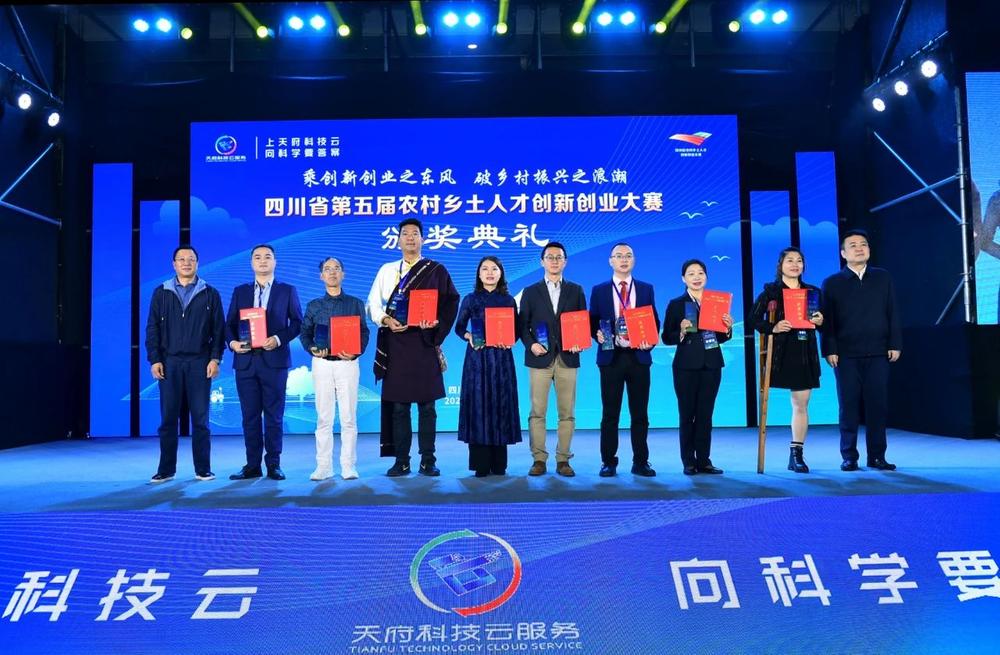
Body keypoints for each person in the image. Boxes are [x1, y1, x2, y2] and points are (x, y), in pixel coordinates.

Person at [368, 218, 460, 477]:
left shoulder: (436, 270)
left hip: (424, 343)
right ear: (398, 240)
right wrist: (385, 319)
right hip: (395, 344)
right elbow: (372, 304)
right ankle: (402, 461)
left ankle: (428, 460)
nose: (410, 237)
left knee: (427, 407)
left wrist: (437, 323)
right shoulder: (387, 270)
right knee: (399, 407)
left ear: (423, 239)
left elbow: (452, 301)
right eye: (405, 234)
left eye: (415, 233)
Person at [820, 229, 902, 471]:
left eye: (863, 244)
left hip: (879, 352)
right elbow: (827, 321)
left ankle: (877, 456)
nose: (859, 248)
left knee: (878, 405)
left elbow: (892, 311)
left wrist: (895, 343)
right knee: (848, 406)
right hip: (845, 354)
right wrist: (829, 349)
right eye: (853, 245)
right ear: (843, 253)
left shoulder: (882, 277)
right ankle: (849, 456)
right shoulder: (832, 283)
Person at [144, 245, 225, 483]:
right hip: (169, 363)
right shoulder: (161, 292)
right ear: (174, 264)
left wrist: (215, 358)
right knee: (168, 419)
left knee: (200, 420)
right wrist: (155, 359)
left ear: (197, 263)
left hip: (200, 362)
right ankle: (166, 469)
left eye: (191, 259)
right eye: (181, 259)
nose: (186, 263)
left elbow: (218, 330)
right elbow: (152, 329)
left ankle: (203, 469)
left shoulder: (210, 293)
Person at [225, 244, 303, 481]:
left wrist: (278, 339)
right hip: (245, 362)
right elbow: (229, 325)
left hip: (275, 362)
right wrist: (233, 343)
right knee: (249, 416)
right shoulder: (240, 291)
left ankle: (274, 464)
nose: (262, 260)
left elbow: (297, 324)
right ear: (251, 263)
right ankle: (252, 465)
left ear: (275, 262)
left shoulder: (287, 290)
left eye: (267, 257)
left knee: (274, 416)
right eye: (257, 257)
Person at [751, 247, 825, 473]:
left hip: (804, 352)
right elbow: (753, 319)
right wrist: (773, 327)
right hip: (780, 353)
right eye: (789, 260)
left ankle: (796, 454)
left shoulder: (813, 292)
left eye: (799, 260)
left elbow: (827, 323)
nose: (795, 264)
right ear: (780, 265)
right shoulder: (771, 292)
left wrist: (821, 320)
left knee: (801, 404)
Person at [588, 243, 659, 477]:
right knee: (610, 414)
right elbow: (592, 322)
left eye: (628, 255)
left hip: (639, 357)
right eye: (618, 256)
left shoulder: (646, 289)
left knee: (640, 414)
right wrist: (596, 334)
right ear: (611, 261)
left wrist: (650, 340)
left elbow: (654, 321)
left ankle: (641, 462)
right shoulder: (599, 290)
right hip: (611, 358)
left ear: (634, 260)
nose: (624, 260)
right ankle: (608, 461)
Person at [517, 242, 587, 477]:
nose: (554, 261)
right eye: (550, 257)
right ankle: (539, 459)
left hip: (568, 357)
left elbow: (581, 322)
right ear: (542, 262)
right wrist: (531, 344)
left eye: (559, 257)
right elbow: (522, 325)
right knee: (537, 412)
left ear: (565, 261)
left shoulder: (576, 290)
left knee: (567, 413)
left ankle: (563, 459)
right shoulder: (530, 291)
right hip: (540, 359)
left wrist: (580, 341)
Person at [299, 257, 370, 481]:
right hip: (322, 364)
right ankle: (324, 466)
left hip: (347, 364)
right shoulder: (314, 305)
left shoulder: (355, 303)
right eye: (327, 269)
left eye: (337, 268)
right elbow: (305, 333)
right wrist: (312, 348)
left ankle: (348, 466)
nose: (332, 272)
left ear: (343, 274)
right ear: (321, 276)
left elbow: (364, 332)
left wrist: (356, 352)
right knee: (324, 418)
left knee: (348, 418)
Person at [661, 259, 733, 475]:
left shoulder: (716, 302)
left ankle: (704, 460)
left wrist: (727, 328)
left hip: (711, 364)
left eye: (700, 273)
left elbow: (720, 337)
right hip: (685, 366)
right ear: (683, 279)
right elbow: (666, 337)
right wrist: (681, 331)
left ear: (706, 277)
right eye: (691, 273)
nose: (696, 277)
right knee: (687, 415)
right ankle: (688, 461)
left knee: (705, 414)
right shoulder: (676, 304)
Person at [454, 256, 522, 477]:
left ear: (501, 273)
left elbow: (517, 331)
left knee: (500, 406)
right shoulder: (470, 299)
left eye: (494, 269)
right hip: (478, 360)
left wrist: (509, 339)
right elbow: (459, 328)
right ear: (479, 274)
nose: (490, 273)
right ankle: (480, 463)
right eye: (485, 269)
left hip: (502, 360)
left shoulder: (508, 300)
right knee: (479, 407)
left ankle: (499, 463)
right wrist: (469, 337)